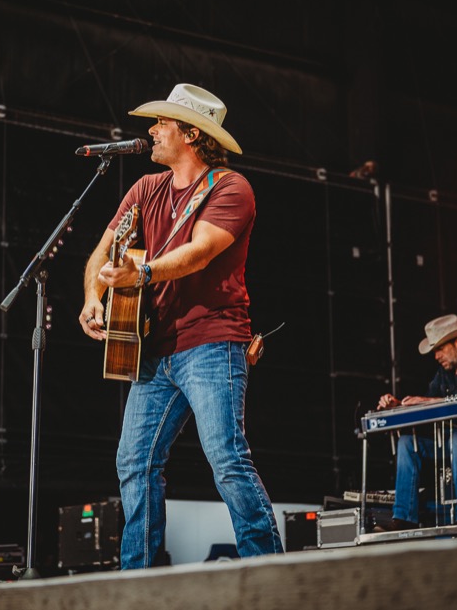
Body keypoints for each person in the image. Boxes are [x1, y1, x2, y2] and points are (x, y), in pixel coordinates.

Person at [79, 83, 284, 568]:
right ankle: (139, 581)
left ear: (191, 134)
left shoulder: (230, 187)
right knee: (134, 461)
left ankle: (270, 570)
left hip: (212, 341)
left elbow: (201, 252)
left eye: (162, 123)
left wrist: (142, 272)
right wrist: (92, 297)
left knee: (226, 458)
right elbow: (104, 248)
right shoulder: (144, 189)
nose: (152, 131)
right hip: (154, 349)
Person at [373, 314, 457, 532]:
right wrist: (397, 405)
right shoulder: (442, 376)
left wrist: (427, 401)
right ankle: (404, 518)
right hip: (451, 441)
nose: (436, 356)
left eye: (440, 349)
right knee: (406, 443)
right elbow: (427, 409)